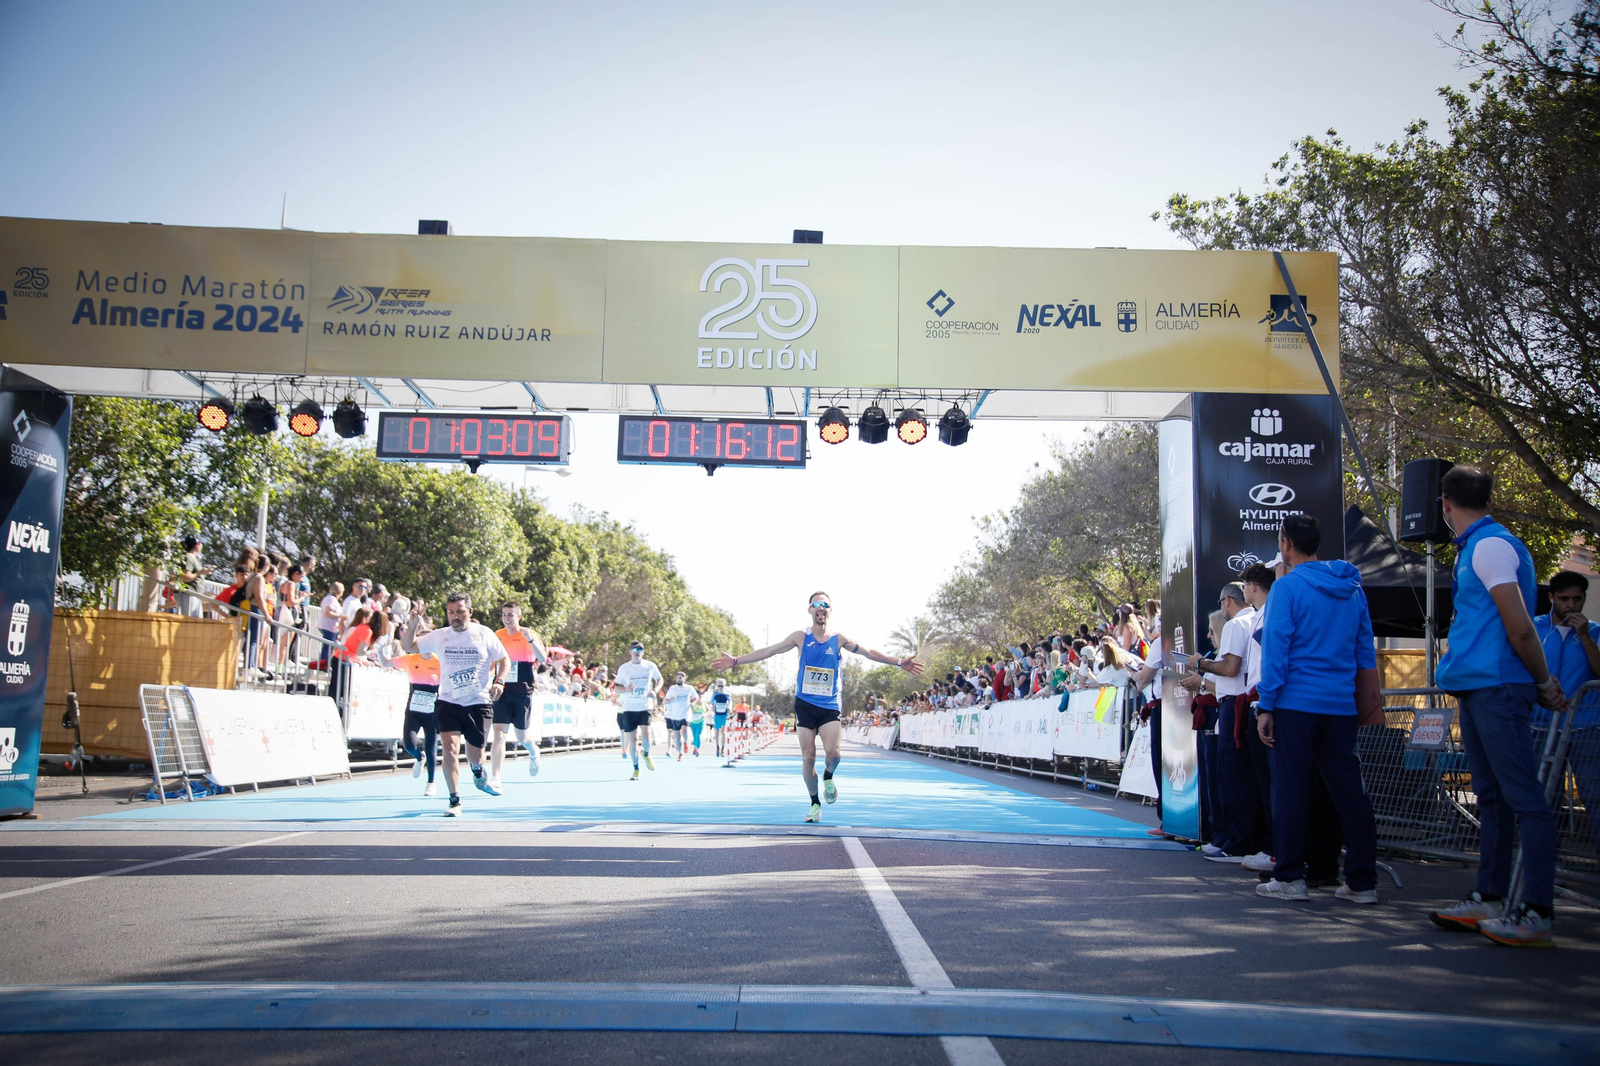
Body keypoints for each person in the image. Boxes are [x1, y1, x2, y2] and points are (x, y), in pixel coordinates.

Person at [1428, 466, 1567, 946]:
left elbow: (1521, 625)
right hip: (1480, 687)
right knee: (1492, 798)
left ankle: (1536, 910)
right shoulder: (1479, 547)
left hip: (1499, 688)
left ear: (1446, 504)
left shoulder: (1489, 547)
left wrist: (1543, 681)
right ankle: (1490, 896)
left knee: (1523, 798)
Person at [1254, 514, 1380, 906]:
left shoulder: (1286, 588)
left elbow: (1277, 650)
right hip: (1340, 705)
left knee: (1290, 789)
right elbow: (1364, 652)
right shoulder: (1352, 590)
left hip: (1295, 703)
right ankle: (1362, 881)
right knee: (1349, 792)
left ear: (1285, 543)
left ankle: (1290, 876)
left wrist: (1267, 704)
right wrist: (1366, 703)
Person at [712, 591, 922, 823]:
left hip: (829, 705)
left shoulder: (839, 639)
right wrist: (735, 660)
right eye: (816, 605)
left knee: (834, 753)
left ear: (830, 611)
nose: (821, 608)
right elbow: (769, 651)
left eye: (825, 605)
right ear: (810, 610)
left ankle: (829, 776)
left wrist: (899, 662)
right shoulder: (800, 637)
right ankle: (814, 803)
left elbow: (868, 652)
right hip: (804, 705)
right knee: (808, 758)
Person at [416, 592, 509, 815]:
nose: (455, 617)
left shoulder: (484, 633)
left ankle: (477, 771)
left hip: (478, 701)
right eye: (450, 612)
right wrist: (413, 621)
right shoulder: (440, 635)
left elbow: (504, 660)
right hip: (448, 700)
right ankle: (454, 800)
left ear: (470, 612)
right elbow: (409, 646)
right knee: (449, 749)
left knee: (475, 755)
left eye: (460, 612)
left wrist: (500, 681)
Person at [1533, 570, 1600, 859]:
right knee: (1544, 799)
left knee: (1595, 797)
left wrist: (1585, 636)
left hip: (1585, 726)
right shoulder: (1534, 628)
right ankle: (1544, 865)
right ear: (1551, 598)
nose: (1571, 605)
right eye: (1564, 599)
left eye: (1577, 599)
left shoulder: (1595, 631)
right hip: (1540, 725)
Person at [1195, 583, 1263, 863]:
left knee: (1232, 778)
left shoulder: (1238, 624)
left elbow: (1230, 668)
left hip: (1236, 706)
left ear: (1226, 602)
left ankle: (1238, 842)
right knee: (1243, 778)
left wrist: (1200, 664)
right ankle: (1240, 839)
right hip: (1244, 704)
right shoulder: (1257, 618)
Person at [489, 601, 549, 789]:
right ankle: (496, 777)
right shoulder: (497, 635)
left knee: (521, 735)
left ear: (519, 617)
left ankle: (533, 752)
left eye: (511, 615)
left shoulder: (528, 633)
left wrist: (530, 640)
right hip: (502, 686)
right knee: (499, 733)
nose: (507, 618)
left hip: (523, 687)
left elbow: (543, 658)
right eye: (504, 615)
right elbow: (491, 660)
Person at [386, 646, 442, 796]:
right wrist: (380, 650)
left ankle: (431, 782)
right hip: (414, 710)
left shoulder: (439, 662)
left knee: (431, 747)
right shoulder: (410, 659)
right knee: (409, 745)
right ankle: (419, 757)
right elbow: (385, 663)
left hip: (431, 711)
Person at [614, 642, 663, 780]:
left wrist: (655, 690)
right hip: (629, 708)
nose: (637, 651)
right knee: (633, 739)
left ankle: (646, 753)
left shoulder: (650, 666)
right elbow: (616, 688)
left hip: (645, 706)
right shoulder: (624, 668)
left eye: (640, 649)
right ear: (630, 651)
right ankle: (636, 769)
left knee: (646, 737)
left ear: (643, 652)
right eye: (635, 649)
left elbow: (660, 679)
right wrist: (626, 689)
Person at [662, 672, 696, 760]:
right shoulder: (672, 688)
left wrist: (693, 703)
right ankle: (680, 753)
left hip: (686, 713)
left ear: (684, 679)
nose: (679, 679)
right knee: (677, 736)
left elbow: (696, 697)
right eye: (677, 678)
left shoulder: (689, 688)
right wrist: (672, 699)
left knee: (684, 731)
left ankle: (685, 741)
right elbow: (665, 701)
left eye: (680, 678)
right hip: (675, 715)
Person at [707, 678, 733, 755]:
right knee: (717, 732)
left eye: (722, 686)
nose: (720, 687)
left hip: (725, 714)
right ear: (717, 686)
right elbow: (710, 703)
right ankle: (717, 747)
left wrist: (729, 707)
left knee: (723, 731)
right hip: (717, 714)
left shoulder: (727, 694)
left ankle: (723, 748)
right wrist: (712, 708)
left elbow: (730, 702)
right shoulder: (715, 694)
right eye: (719, 685)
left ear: (724, 686)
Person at [688, 684, 708, 756]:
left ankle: (697, 749)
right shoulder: (692, 703)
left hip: (701, 721)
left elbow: (709, 710)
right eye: (699, 695)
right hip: (693, 722)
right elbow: (690, 711)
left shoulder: (704, 703)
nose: (700, 696)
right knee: (694, 736)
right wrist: (695, 709)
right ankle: (695, 747)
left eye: (701, 695)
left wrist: (704, 714)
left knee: (698, 735)